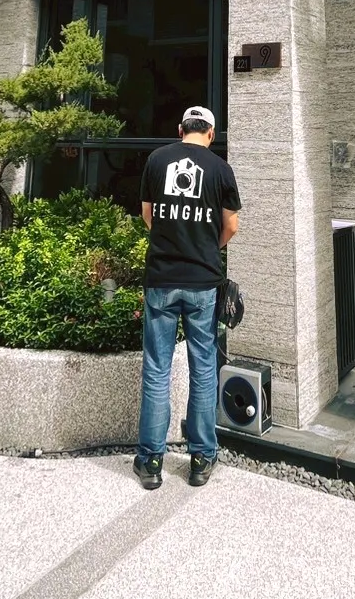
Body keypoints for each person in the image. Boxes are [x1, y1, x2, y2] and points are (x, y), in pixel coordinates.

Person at [134, 103, 240, 490]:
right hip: (202, 283)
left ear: (181, 129)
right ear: (210, 134)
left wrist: (172, 239)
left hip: (161, 278)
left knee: (156, 369)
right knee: (203, 368)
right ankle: (201, 458)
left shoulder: (156, 160)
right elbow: (232, 225)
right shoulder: (220, 169)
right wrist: (208, 247)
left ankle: (150, 461)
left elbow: (148, 215)